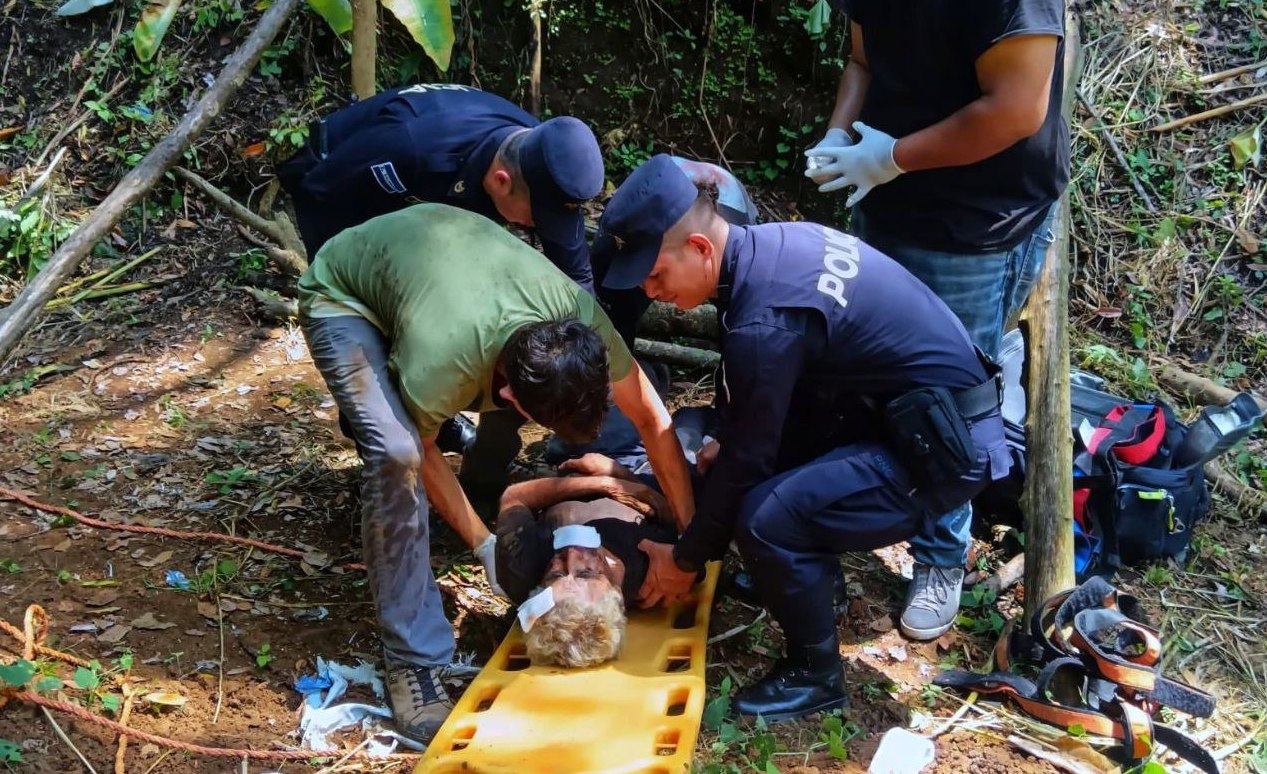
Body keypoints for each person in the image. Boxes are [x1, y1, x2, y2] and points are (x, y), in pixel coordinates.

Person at [598, 155, 1010, 721]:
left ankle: (816, 673)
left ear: (698, 248)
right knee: (743, 476)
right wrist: (730, 439)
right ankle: (816, 587)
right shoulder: (771, 248)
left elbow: (749, 456)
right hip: (908, 415)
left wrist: (686, 559)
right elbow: (764, 406)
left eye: (656, 275)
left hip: (942, 448)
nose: (650, 291)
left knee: (766, 517)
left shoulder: (763, 318)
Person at [297, 202, 694, 742]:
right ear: (507, 394)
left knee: (417, 423)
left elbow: (653, 420)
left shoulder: (582, 324)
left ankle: (450, 446)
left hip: (444, 268)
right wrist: (483, 541)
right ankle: (412, 659)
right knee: (395, 452)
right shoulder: (445, 361)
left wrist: (692, 548)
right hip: (347, 294)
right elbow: (421, 456)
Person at [804, 0, 1068, 638]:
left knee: (953, 392)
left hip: (980, 219)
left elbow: (1016, 107)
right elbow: (863, 56)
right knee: (857, 366)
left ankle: (940, 559)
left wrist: (894, 157)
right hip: (884, 200)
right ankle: (845, 515)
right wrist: (843, 136)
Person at [277, 82, 607, 513]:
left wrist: (583, 368)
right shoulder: (411, 149)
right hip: (343, 186)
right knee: (383, 331)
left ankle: (439, 424)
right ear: (501, 181)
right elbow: (325, 196)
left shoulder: (541, 154)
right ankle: (385, 453)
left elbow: (576, 277)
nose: (538, 229)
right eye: (535, 220)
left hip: (447, 198)